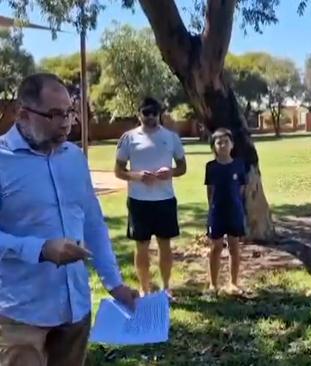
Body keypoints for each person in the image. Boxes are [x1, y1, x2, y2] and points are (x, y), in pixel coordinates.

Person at [0, 73, 138, 366]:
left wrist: (114, 283)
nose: (66, 123)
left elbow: (93, 223)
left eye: (69, 113)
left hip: (74, 310)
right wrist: (40, 249)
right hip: (18, 314)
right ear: (22, 114)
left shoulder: (74, 157)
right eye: (54, 114)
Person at [114, 97, 187, 296]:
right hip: (139, 202)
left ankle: (166, 287)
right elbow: (118, 171)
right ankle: (145, 288)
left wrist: (170, 172)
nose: (151, 116)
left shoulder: (171, 137)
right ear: (139, 114)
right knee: (142, 247)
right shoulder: (128, 138)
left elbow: (182, 167)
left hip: (165, 200)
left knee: (165, 246)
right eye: (146, 112)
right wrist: (136, 176)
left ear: (159, 114)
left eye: (154, 112)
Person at [204, 128, 247, 295]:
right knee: (215, 249)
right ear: (214, 146)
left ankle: (233, 283)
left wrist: (237, 205)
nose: (222, 145)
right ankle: (213, 284)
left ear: (232, 144)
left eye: (226, 141)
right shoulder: (211, 167)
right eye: (218, 142)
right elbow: (210, 192)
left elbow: (241, 189)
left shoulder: (238, 164)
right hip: (217, 213)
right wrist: (212, 211)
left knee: (234, 248)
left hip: (234, 212)